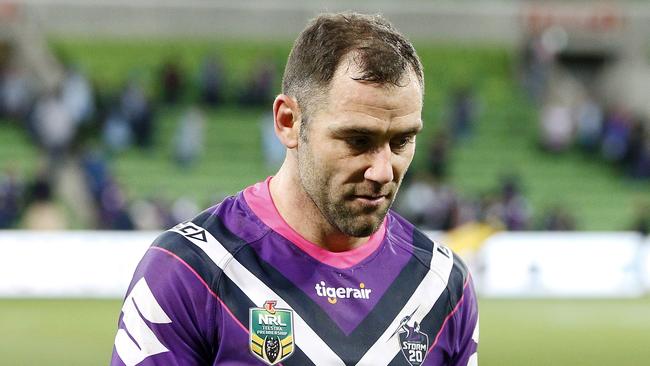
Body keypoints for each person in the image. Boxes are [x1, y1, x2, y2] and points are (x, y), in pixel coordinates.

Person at [111, 12, 478, 366]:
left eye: (401, 141)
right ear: (288, 122)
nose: (383, 171)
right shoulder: (191, 271)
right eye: (356, 140)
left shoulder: (440, 284)